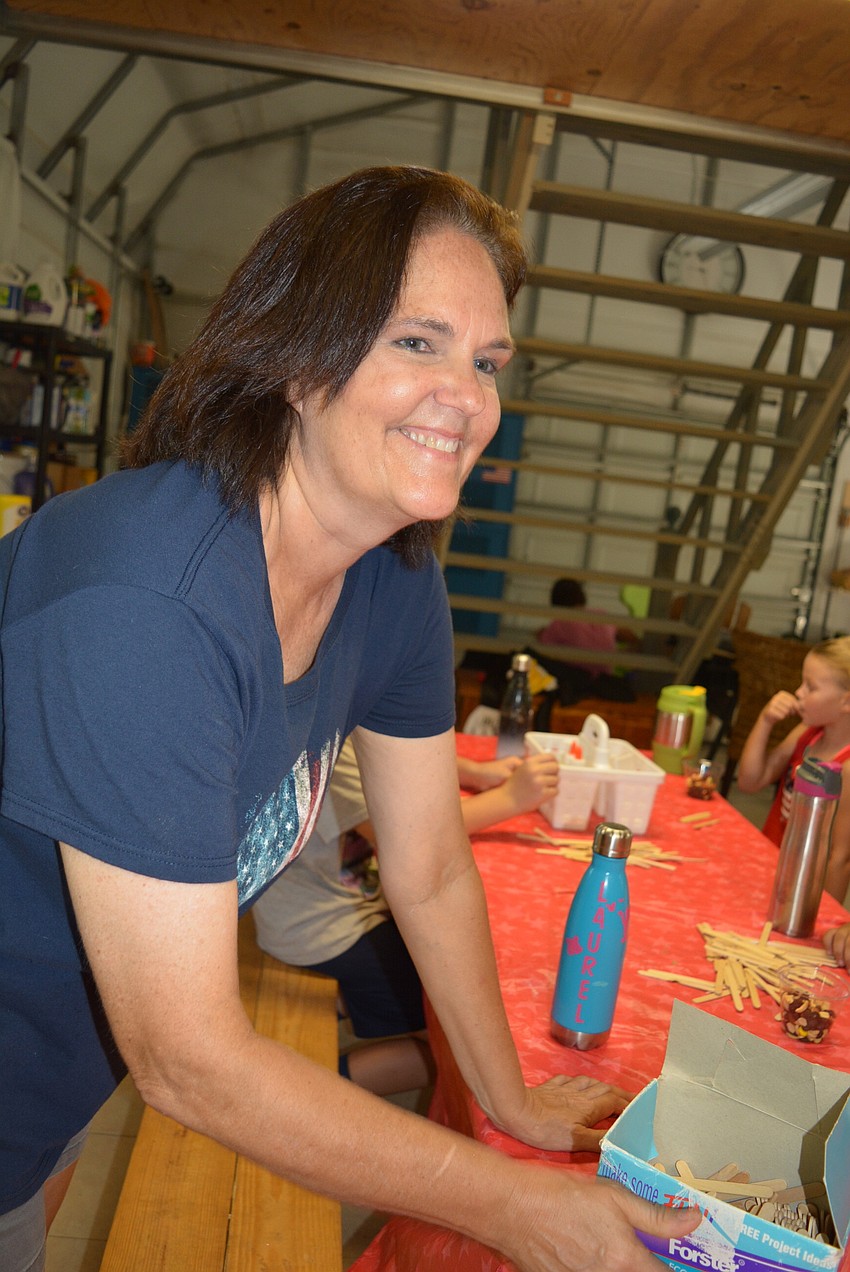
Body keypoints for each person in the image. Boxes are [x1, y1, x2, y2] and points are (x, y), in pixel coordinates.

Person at [0, 165, 697, 1272]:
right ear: (291, 356)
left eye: (486, 361)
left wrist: (507, 1104)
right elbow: (189, 1060)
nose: (465, 396)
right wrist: (508, 1204)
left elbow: (426, 869)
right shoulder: (144, 606)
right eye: (416, 342)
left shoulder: (389, 577)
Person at [253, 737, 560, 1095]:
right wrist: (511, 799)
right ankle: (309, 1094)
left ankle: (351, 1003)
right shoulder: (321, 746)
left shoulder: (336, 719)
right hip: (325, 930)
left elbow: (388, 745)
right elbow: (413, 837)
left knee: (460, 993)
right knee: (458, 1034)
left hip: (326, 913)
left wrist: (475, 772)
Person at [737, 637, 850, 904]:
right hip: (770, 869)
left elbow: (840, 857)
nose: (798, 692)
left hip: (801, 895)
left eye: (811, 687)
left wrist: (823, 918)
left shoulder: (846, 766)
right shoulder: (807, 734)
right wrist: (765, 721)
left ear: (847, 702)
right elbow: (750, 781)